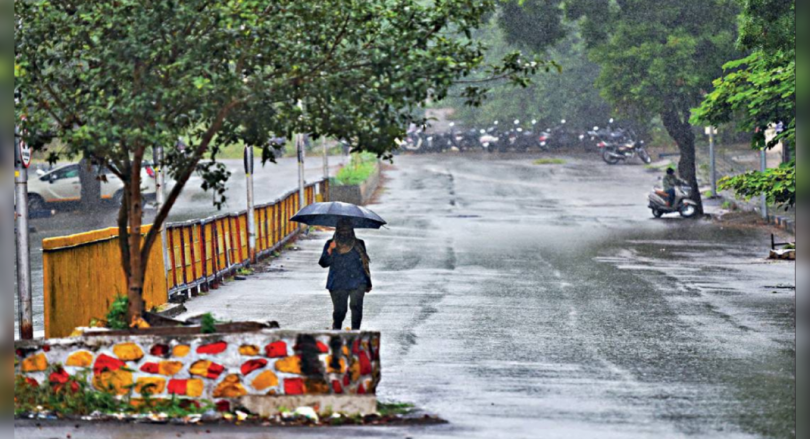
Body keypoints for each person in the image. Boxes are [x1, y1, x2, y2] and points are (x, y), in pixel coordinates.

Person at [318, 219, 372, 330]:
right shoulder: (331, 244)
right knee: (340, 311)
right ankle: (336, 331)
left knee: (356, 306)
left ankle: (355, 332)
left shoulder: (359, 244)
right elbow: (324, 263)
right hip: (338, 282)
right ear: (337, 231)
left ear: (352, 231)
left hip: (358, 281)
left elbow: (364, 264)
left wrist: (368, 282)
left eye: (347, 230)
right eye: (342, 230)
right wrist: (330, 249)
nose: (344, 233)